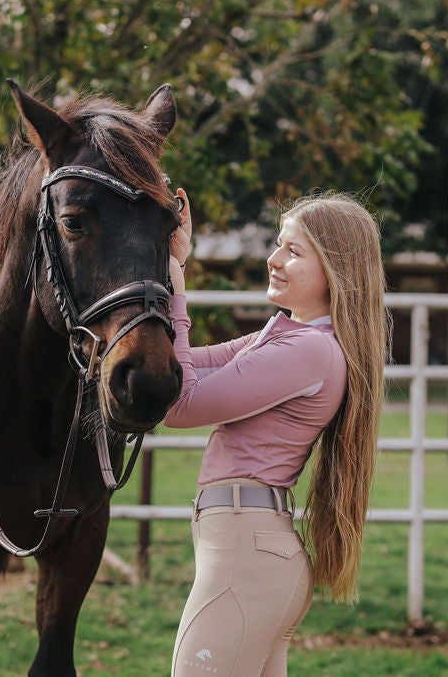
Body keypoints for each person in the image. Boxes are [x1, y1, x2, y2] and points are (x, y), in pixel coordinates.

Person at [164, 188, 389, 676]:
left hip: (247, 558)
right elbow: (176, 368)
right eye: (278, 244)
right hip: (250, 554)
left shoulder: (308, 351)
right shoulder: (284, 336)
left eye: (294, 251)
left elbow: (180, 403)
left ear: (334, 270)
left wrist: (176, 290)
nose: (273, 259)